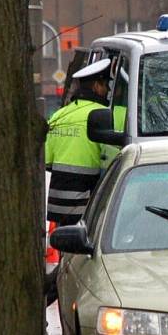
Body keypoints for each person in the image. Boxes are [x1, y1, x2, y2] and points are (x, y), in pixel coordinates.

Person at [45, 58, 111, 227]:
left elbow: (46, 161)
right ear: (96, 86)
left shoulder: (59, 115)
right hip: (86, 206)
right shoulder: (102, 115)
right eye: (105, 85)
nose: (108, 90)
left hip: (58, 207)